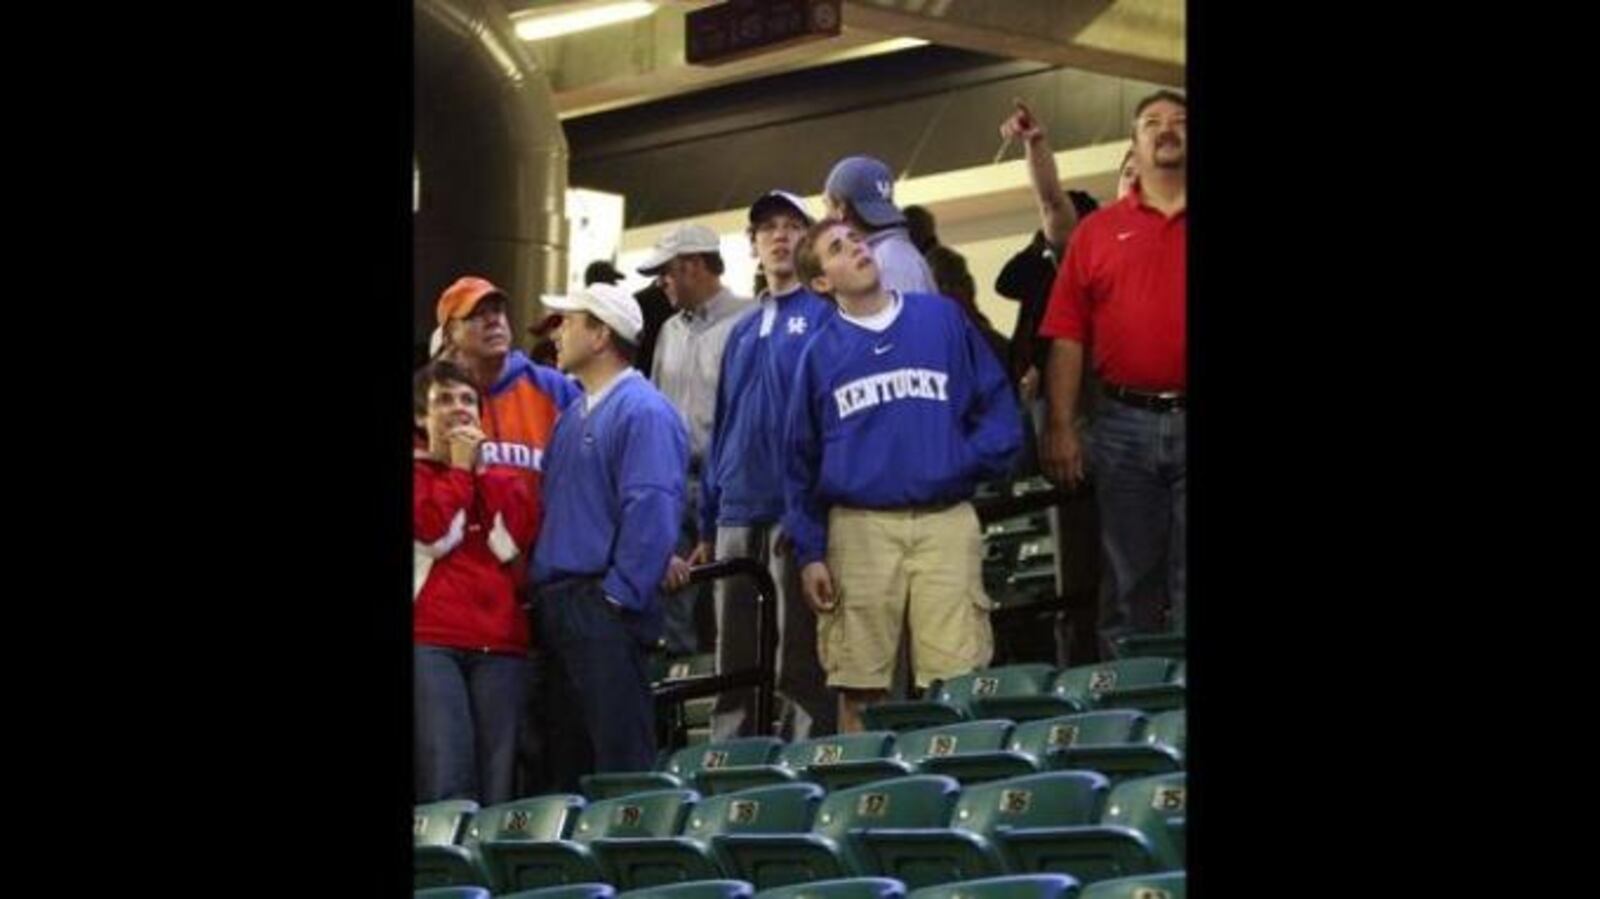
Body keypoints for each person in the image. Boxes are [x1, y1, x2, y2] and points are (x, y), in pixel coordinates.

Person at [784, 220, 1023, 733]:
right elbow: (798, 462)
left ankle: (953, 798)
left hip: (946, 518)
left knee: (956, 681)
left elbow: (999, 407)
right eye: (837, 249)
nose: (856, 249)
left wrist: (963, 459)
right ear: (821, 283)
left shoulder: (940, 319)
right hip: (859, 527)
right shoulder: (818, 355)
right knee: (860, 685)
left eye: (855, 239)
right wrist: (810, 552)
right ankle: (862, 799)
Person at [1039, 89, 1188, 655]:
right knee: (1129, 586)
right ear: (1135, 143)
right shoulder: (1097, 233)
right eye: (1152, 122)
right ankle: (1126, 719)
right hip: (1123, 422)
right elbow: (1068, 334)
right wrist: (1060, 423)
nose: (1167, 129)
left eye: (1179, 121)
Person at [689, 190, 838, 742]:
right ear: (752, 245)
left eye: (791, 225)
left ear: (808, 239)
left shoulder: (825, 315)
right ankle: (732, 763)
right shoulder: (743, 331)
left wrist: (812, 514)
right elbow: (722, 423)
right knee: (734, 656)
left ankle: (804, 764)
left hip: (789, 508)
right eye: (767, 228)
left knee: (797, 656)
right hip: (734, 510)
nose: (779, 235)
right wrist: (707, 520)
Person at [531, 282, 689, 790]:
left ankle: (627, 865)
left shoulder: (643, 410)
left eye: (569, 321)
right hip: (564, 602)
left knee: (617, 764)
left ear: (601, 335)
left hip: (601, 605)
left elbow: (652, 509)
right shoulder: (575, 412)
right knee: (568, 764)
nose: (558, 333)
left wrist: (618, 597)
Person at [433, 275, 581, 795]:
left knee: (540, 742)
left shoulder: (551, 388)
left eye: (498, 310)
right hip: (455, 610)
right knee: (452, 761)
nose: (494, 321)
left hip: (544, 589)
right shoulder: (435, 403)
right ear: (450, 332)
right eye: (478, 315)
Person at [413, 359, 541, 806]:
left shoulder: (502, 480)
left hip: (501, 642)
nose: (460, 409)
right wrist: (460, 473)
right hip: (431, 641)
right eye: (444, 399)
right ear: (420, 417)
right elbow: (433, 533)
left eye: (468, 400)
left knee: (499, 784)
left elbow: (513, 543)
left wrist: (480, 472)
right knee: (448, 775)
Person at [638, 223, 756, 656]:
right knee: (674, 607)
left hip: (727, 486)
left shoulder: (750, 320)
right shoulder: (669, 330)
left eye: (665, 272)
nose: (661, 283)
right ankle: (680, 711)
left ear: (691, 266)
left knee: (730, 609)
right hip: (673, 482)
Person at [822, 155, 936, 296]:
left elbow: (905, 318)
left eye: (827, 205)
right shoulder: (893, 252)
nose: (825, 216)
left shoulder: (886, 261)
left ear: (841, 208)